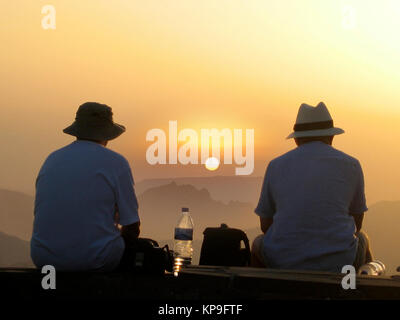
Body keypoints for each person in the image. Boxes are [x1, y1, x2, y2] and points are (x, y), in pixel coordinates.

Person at [251, 102, 373, 273]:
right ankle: (354, 290)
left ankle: (264, 290)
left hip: (283, 261)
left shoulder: (276, 165)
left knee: (258, 243)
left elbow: (265, 225)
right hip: (339, 263)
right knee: (362, 239)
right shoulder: (351, 165)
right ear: (331, 137)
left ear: (296, 139)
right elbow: (357, 223)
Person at [31, 102, 140, 271]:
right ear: (108, 134)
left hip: (45, 259)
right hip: (95, 259)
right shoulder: (116, 163)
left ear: (77, 130)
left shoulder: (52, 160)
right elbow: (132, 226)